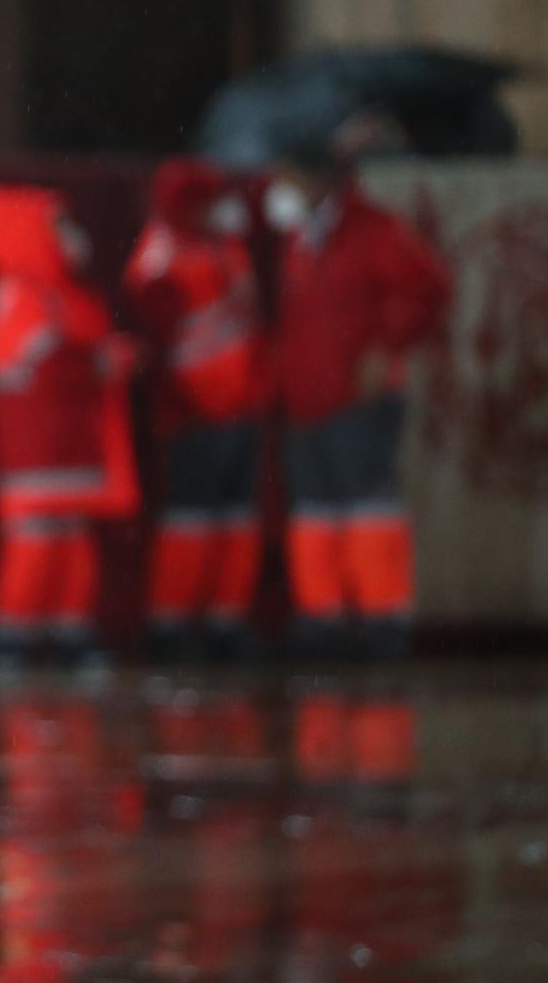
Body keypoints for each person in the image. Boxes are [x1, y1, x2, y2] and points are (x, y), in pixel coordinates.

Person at [263, 154, 450, 660]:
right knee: (316, 518)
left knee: (368, 514)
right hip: (306, 401)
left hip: (359, 400)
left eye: (288, 173)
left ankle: (381, 627)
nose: (278, 185)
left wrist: (386, 345)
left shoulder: (372, 230)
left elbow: (429, 287)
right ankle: (323, 626)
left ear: (319, 177)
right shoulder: (300, 237)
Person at [0, 186, 139, 672]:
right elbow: (23, 371)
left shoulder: (63, 294)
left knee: (72, 543)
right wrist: (97, 363)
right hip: (36, 452)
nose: (73, 237)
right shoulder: (15, 296)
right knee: (36, 543)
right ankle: (12, 638)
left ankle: (69, 634)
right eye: (60, 226)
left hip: (71, 446)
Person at [121, 158, 268, 661]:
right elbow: (157, 352)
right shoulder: (161, 260)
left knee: (234, 522)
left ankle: (226, 625)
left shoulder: (223, 245)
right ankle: (172, 627)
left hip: (239, 405)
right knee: (191, 522)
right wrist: (179, 408)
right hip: (194, 414)